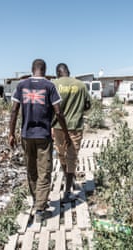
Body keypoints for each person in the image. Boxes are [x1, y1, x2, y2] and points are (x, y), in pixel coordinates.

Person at [8, 59, 71, 223]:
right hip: (43, 135)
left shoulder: (21, 85)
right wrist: (65, 133)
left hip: (26, 135)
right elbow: (58, 112)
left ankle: (38, 201)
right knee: (44, 171)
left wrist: (11, 133)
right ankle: (40, 209)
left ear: (32, 69)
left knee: (31, 170)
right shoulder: (49, 86)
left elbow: (14, 110)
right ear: (44, 70)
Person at [52, 63, 91, 203]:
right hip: (75, 126)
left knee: (62, 155)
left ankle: (68, 181)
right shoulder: (80, 85)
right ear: (68, 72)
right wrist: (77, 110)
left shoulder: (54, 84)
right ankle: (68, 191)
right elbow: (88, 105)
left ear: (57, 73)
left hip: (57, 127)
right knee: (72, 157)